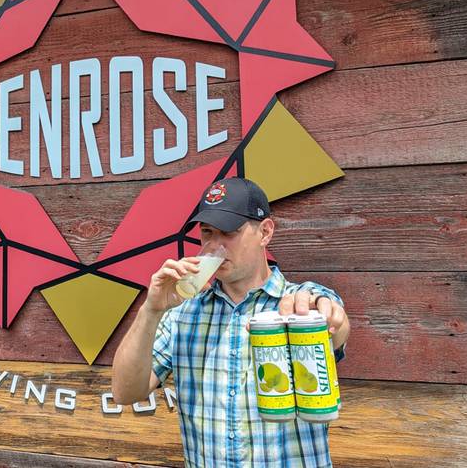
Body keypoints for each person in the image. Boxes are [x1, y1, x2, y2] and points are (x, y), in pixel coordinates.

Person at [112, 177, 350, 468]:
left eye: (228, 232)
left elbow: (334, 323)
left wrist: (324, 313)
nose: (215, 246)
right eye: (208, 233)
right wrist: (151, 309)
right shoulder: (182, 313)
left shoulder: (300, 301)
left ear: (265, 232)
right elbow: (125, 392)